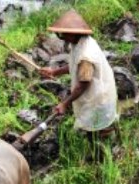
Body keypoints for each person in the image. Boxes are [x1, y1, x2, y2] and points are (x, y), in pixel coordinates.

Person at [39, 9, 118, 147]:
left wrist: (64, 103)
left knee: (94, 131)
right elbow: (74, 65)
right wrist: (54, 72)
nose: (62, 36)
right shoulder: (79, 42)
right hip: (98, 91)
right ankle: (108, 139)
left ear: (73, 33)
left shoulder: (86, 55)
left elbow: (83, 85)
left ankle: (99, 159)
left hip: (98, 96)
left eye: (64, 34)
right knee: (99, 125)